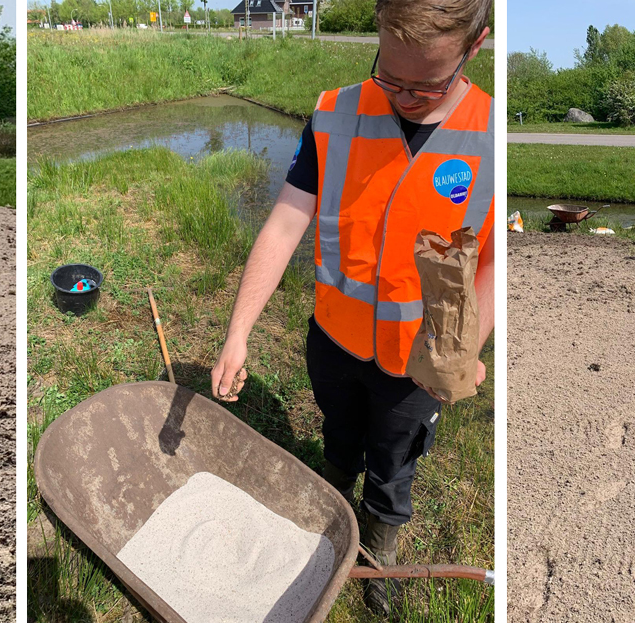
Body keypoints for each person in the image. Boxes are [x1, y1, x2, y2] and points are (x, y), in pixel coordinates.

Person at [208, 0, 492, 613]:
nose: (403, 96)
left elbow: (495, 261)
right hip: (333, 341)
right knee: (339, 436)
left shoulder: (493, 135)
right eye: (388, 76)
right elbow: (285, 223)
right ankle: (331, 496)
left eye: (426, 84)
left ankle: (377, 548)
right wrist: (238, 332)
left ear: (476, 45)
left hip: (417, 361)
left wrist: (467, 346)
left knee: (393, 465)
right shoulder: (336, 113)